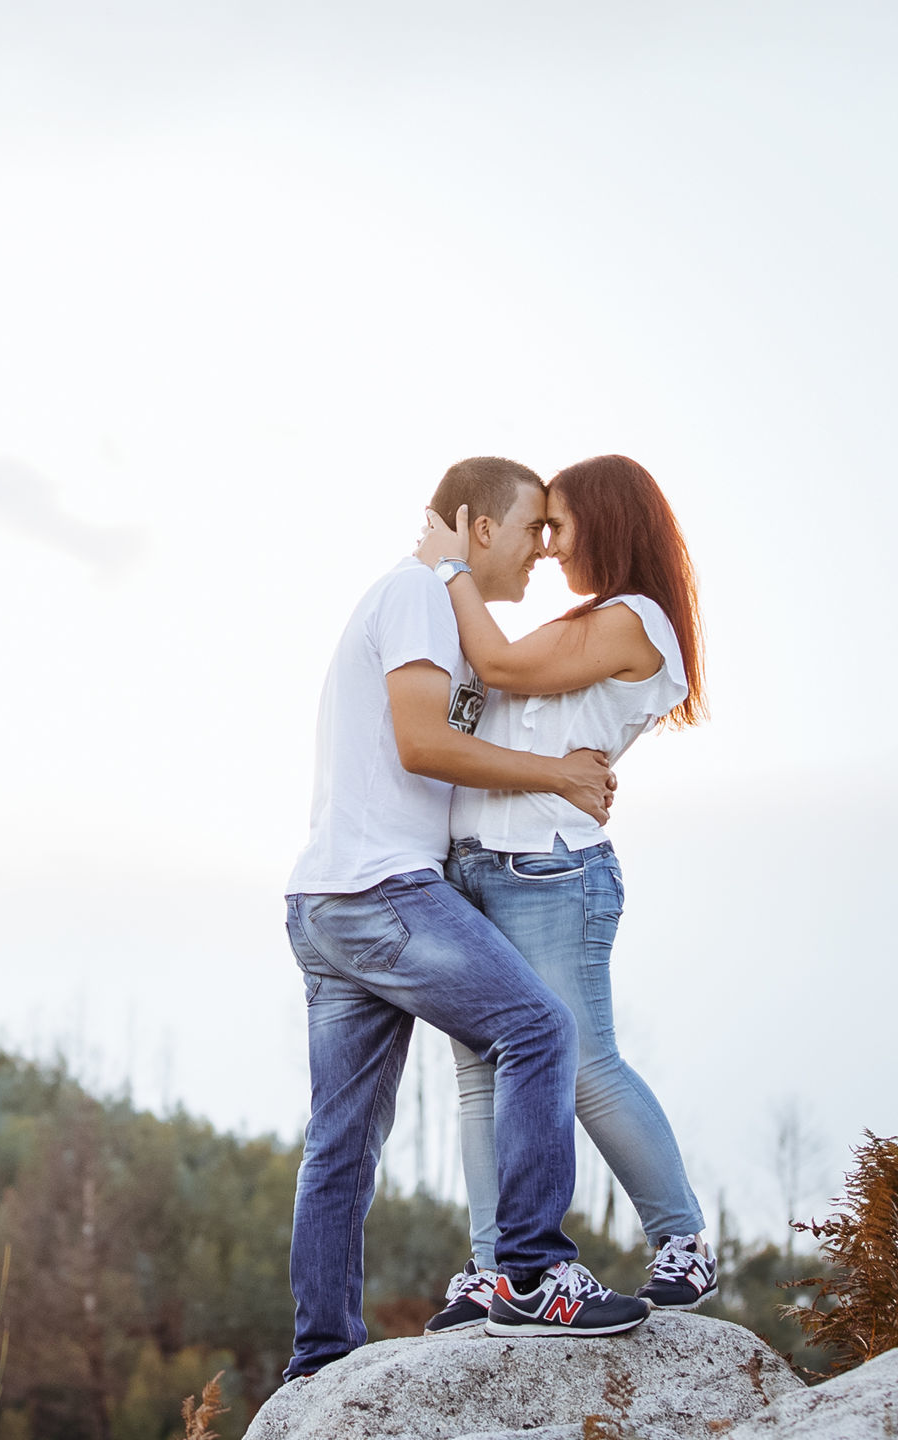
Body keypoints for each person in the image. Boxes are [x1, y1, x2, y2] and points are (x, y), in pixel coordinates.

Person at [282, 456, 650, 1382]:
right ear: (478, 528)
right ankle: (532, 1269)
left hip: (328, 900)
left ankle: (320, 1362)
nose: (541, 549)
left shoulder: (429, 602)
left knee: (341, 1147)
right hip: (380, 894)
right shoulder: (414, 594)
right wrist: (561, 775)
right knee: (537, 1028)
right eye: (532, 528)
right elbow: (421, 739)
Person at [414, 454, 716, 1337]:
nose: (545, 543)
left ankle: (682, 1242)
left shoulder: (637, 620)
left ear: (608, 521)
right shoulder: (588, 621)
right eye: (537, 527)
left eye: (558, 524)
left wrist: (448, 568)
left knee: (581, 1067)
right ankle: (493, 1268)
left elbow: (499, 667)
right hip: (473, 865)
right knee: (481, 1079)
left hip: (552, 869)